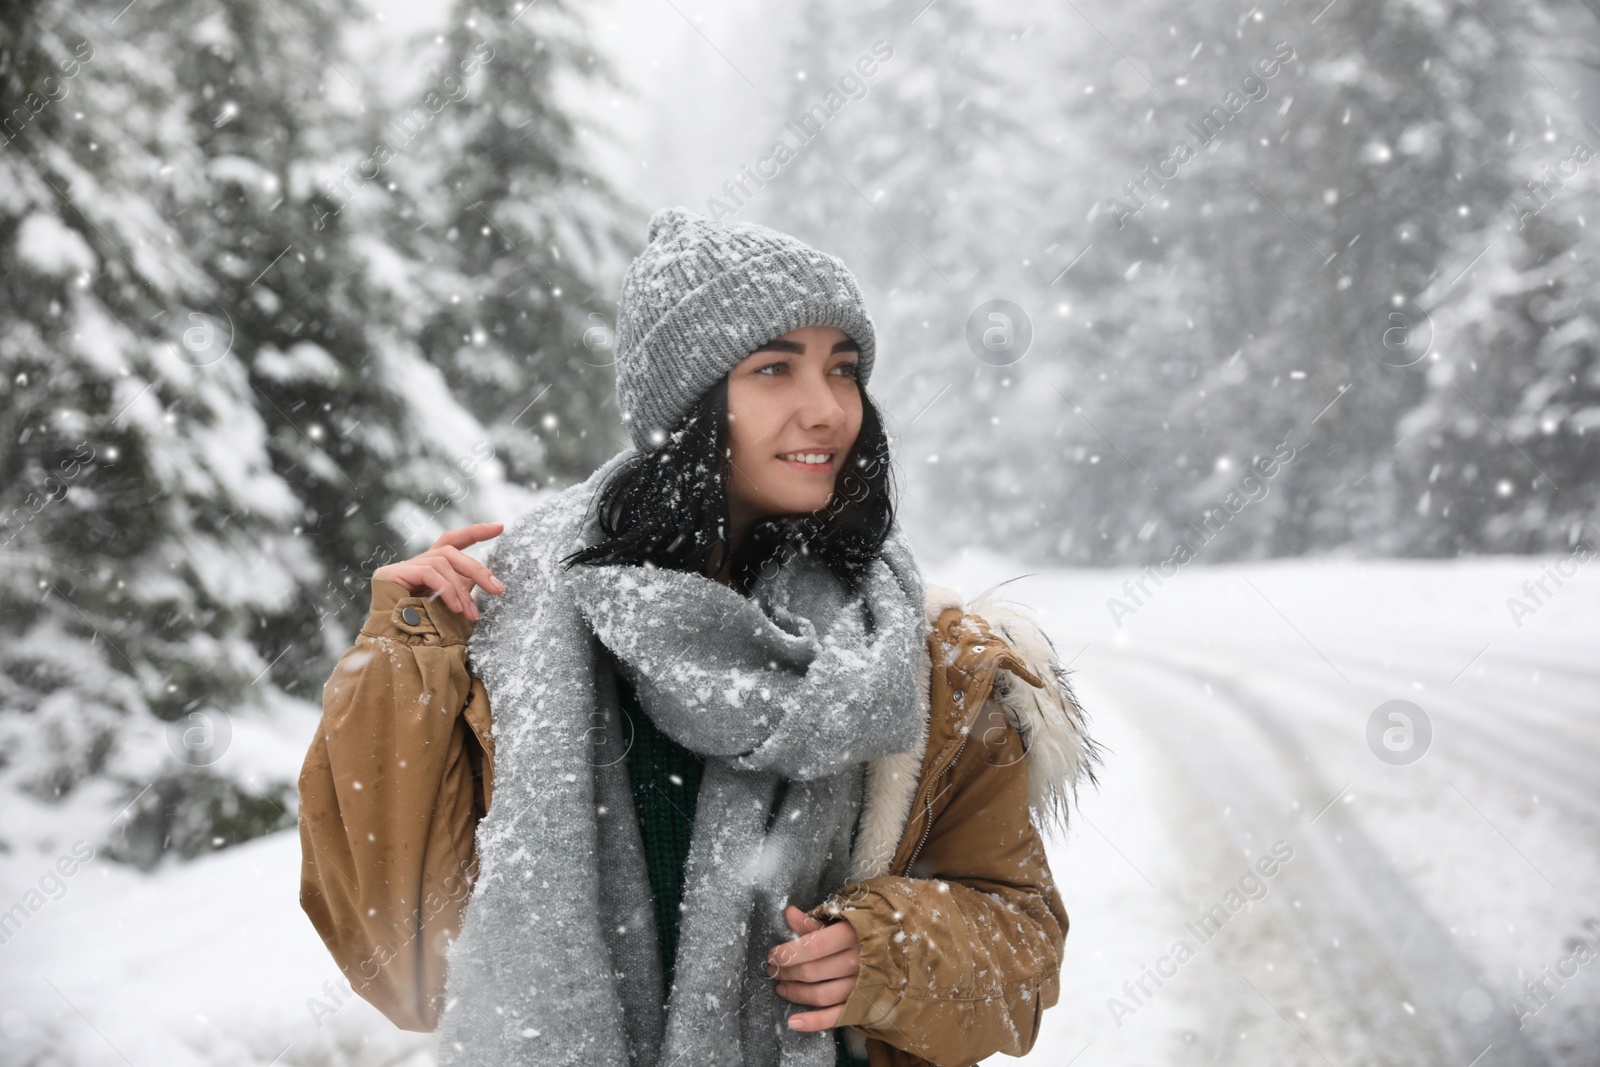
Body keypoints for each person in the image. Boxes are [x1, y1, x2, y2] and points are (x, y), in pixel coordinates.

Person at [297, 206, 1099, 1066]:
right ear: (686, 406)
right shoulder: (511, 628)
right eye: (773, 369)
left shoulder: (928, 659)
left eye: (844, 368)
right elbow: (397, 963)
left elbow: (1021, 950)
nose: (827, 408)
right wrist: (404, 655)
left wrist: (890, 952)